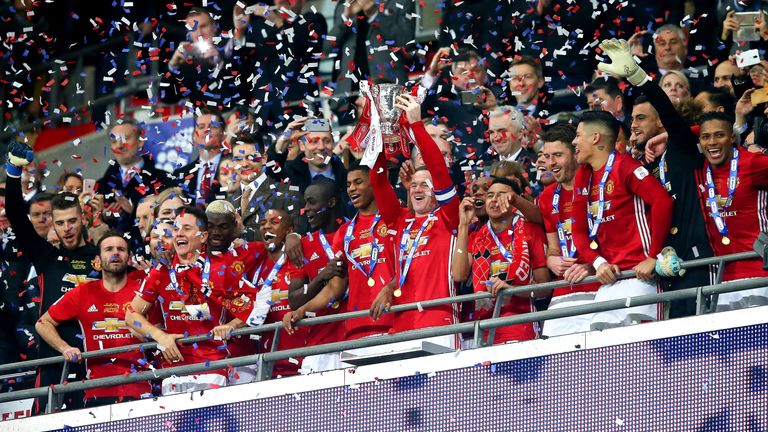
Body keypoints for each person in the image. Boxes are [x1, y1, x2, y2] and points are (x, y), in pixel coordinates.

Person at [598, 38, 719, 318]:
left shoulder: (682, 150)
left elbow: (698, 125)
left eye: (641, 118)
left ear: (661, 123)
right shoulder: (643, 167)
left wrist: (640, 79)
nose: (633, 125)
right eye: (633, 119)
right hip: (658, 266)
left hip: (695, 259)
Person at [126, 206, 269, 394]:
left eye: (186, 228)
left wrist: (231, 326)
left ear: (202, 237)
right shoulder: (161, 271)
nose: (179, 234)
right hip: (173, 371)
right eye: (176, 229)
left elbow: (260, 302)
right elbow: (131, 315)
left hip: (212, 368)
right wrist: (160, 336)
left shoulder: (219, 269)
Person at [4, 142, 100, 412]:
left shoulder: (102, 256)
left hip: (96, 358)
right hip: (51, 357)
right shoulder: (44, 256)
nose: (67, 229)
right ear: (53, 225)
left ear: (83, 219)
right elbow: (16, 216)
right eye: (59, 223)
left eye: (72, 221)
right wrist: (12, 173)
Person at [368, 93, 460, 349]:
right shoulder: (400, 221)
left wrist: (416, 125)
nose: (418, 189)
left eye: (426, 185)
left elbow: (439, 171)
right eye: (414, 184)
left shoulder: (449, 217)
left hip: (440, 323)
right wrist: (380, 136)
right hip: (401, 327)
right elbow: (377, 181)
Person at [567, 111, 674, 330]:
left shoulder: (626, 166)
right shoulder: (583, 175)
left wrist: (653, 256)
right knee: (606, 355)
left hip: (642, 277)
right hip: (610, 280)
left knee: (648, 352)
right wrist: (599, 263)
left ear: (595, 138)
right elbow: (578, 231)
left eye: (578, 135)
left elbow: (663, 202)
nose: (574, 141)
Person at [283, 164, 394, 352]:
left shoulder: (394, 220)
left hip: (394, 323)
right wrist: (302, 310)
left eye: (358, 182)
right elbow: (335, 288)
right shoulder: (344, 233)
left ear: (374, 184)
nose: (352, 188)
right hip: (357, 330)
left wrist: (390, 287)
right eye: (349, 184)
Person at [35, 233, 151, 407]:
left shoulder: (144, 290)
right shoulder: (83, 292)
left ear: (129, 258)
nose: (115, 253)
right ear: (97, 260)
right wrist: (65, 348)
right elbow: (43, 323)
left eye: (121, 249)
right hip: (96, 392)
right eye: (109, 249)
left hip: (141, 388)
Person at [453, 178, 550, 345]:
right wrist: (463, 224)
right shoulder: (476, 237)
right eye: (490, 195)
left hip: (521, 326)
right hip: (483, 329)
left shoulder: (530, 230)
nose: (494, 199)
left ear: (513, 201)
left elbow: (544, 289)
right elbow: (459, 275)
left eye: (502, 195)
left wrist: (512, 290)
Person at [695, 112, 768, 309]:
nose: (712, 142)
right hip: (721, 280)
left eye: (719, 135)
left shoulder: (752, 163)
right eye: (705, 136)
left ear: (732, 138)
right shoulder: (698, 170)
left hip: (760, 274)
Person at [536, 125, 601, 336]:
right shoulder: (546, 197)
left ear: (575, 152)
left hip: (600, 284)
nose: (550, 163)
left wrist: (592, 265)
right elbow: (553, 248)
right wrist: (550, 260)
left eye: (557, 155)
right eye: (546, 156)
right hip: (564, 291)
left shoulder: (598, 184)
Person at [280, 178, 345, 372]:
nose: (305, 209)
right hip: (319, 346)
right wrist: (321, 277)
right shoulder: (302, 246)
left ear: (331, 202)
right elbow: (293, 301)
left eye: (312, 202)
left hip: (356, 336)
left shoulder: (355, 233)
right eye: (304, 203)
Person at [96, 118, 173, 252]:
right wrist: (103, 216)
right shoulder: (101, 186)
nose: (120, 145)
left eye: (125, 138)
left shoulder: (163, 180)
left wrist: (136, 212)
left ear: (139, 141)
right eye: (114, 141)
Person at [253, 207, 308, 377]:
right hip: (265, 365)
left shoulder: (298, 257)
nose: (266, 227)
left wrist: (295, 236)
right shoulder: (255, 263)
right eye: (263, 223)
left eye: (274, 222)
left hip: (301, 361)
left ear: (289, 230)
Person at [266, 117, 351, 217]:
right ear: (302, 145)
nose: (321, 147)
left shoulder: (348, 177)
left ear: (333, 143)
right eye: (314, 141)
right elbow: (271, 174)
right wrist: (283, 140)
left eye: (327, 141)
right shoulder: (289, 173)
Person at [173, 108, 227, 206]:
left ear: (223, 134)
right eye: (201, 127)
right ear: (194, 135)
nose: (207, 130)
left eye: (213, 126)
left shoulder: (232, 166)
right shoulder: (180, 175)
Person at [485, 106, 538, 187]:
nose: (496, 138)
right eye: (491, 132)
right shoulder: (482, 165)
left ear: (520, 133)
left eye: (502, 131)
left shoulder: (537, 165)